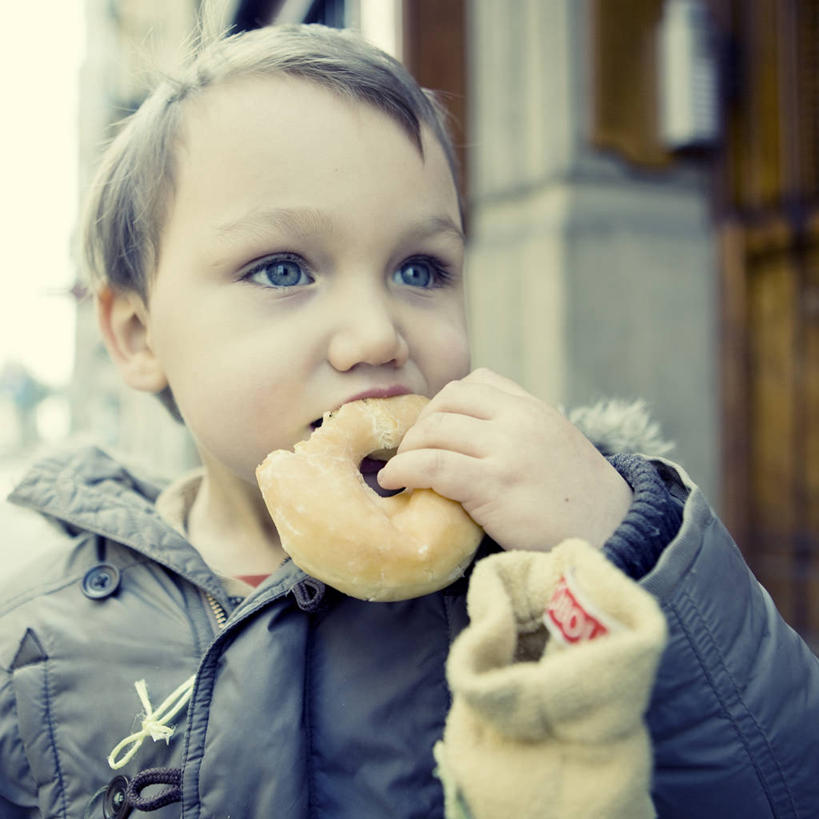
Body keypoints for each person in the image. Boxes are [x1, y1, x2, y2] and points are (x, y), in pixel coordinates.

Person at [0, 22, 817, 819]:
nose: (376, 335)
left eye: (419, 268)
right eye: (282, 268)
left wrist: (621, 551)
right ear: (139, 336)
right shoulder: (39, 630)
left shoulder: (522, 580)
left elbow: (783, 784)